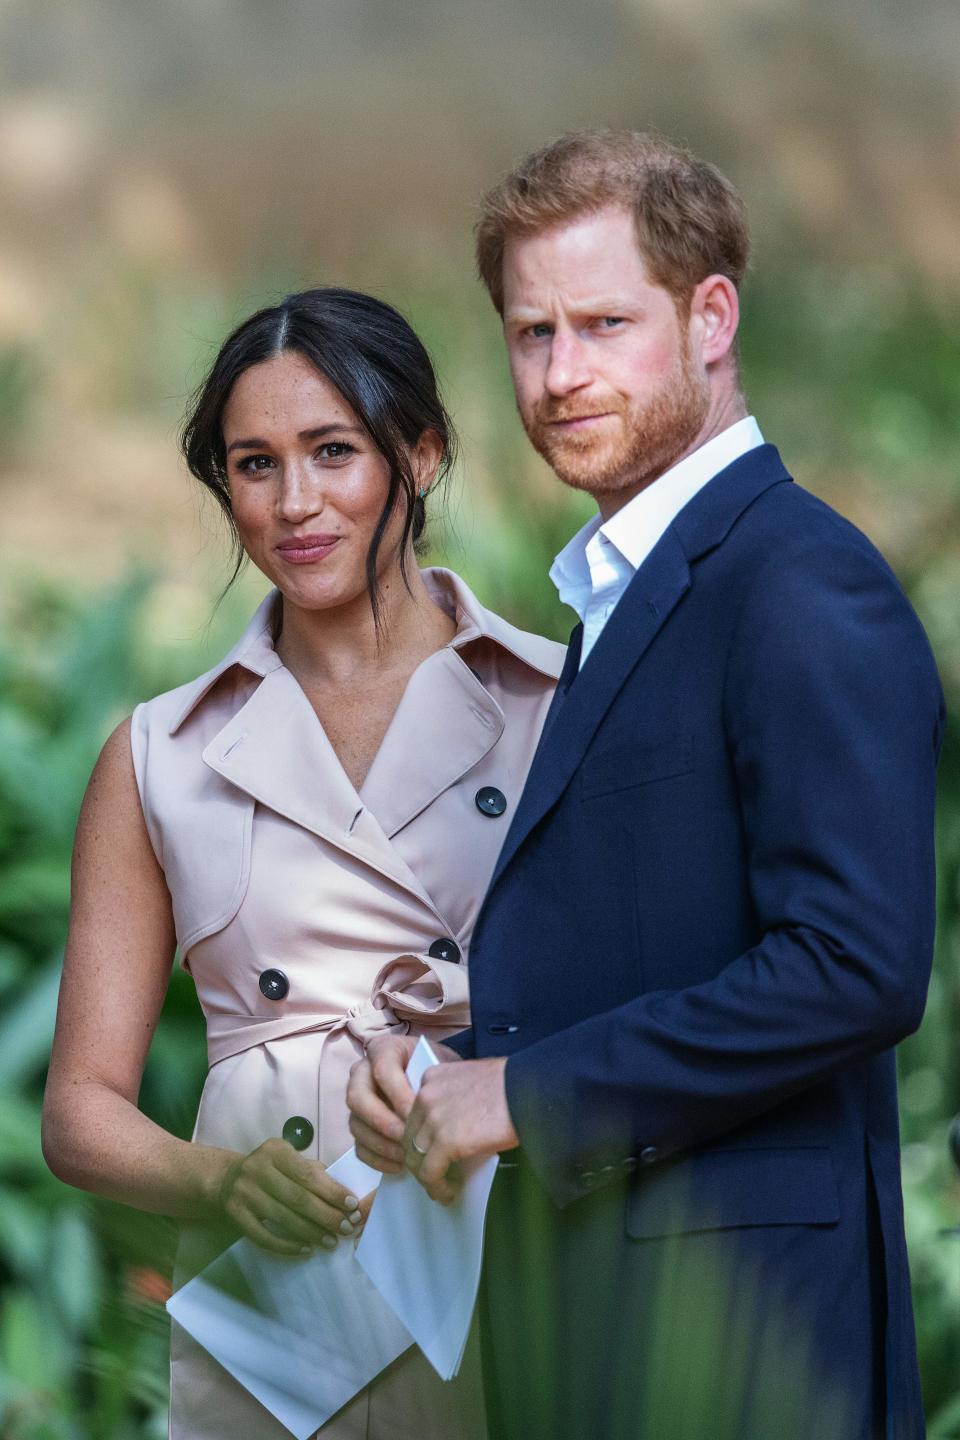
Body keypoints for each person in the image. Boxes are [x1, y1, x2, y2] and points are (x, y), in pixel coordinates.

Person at [346, 131, 944, 1440]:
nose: (561, 377)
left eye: (604, 324)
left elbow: (859, 964)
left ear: (710, 315)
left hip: (749, 1346)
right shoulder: (630, 595)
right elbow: (645, 945)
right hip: (609, 1326)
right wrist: (453, 1069)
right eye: (530, 334)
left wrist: (523, 1096)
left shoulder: (798, 583)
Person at [41, 287, 565, 1440]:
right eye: (254, 464)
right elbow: (79, 1112)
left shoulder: (556, 705)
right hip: (273, 1305)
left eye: (334, 452)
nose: (296, 502)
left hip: (508, 1246)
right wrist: (220, 1183)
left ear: (420, 455)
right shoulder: (158, 755)